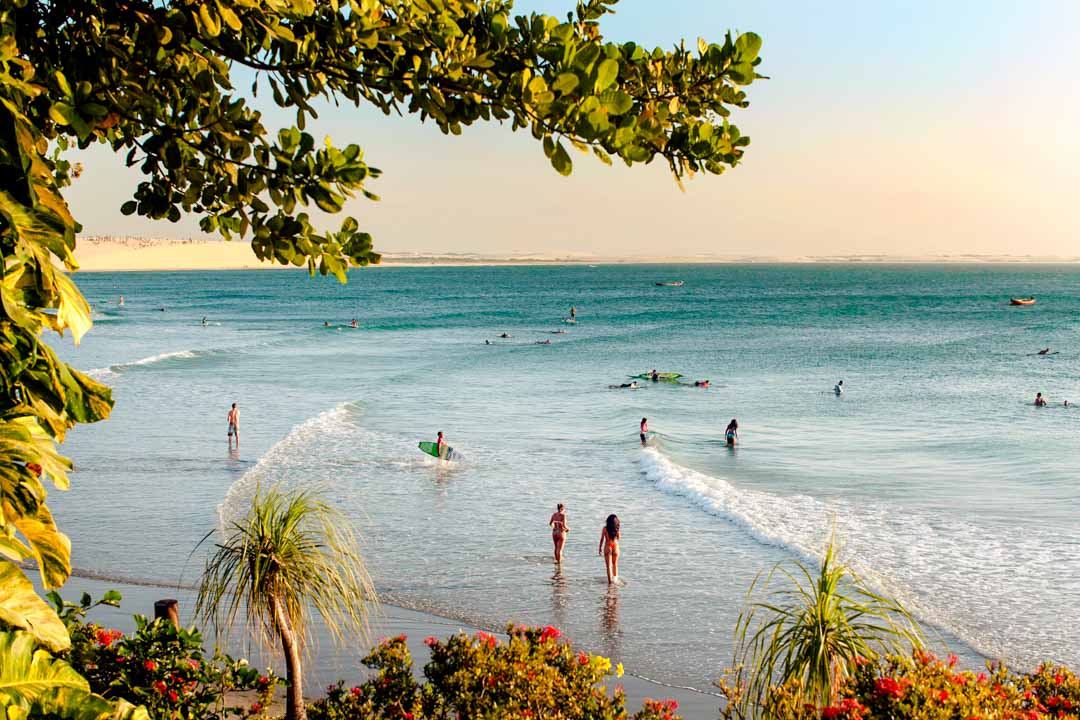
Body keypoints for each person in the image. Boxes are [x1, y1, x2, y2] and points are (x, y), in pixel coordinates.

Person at [598, 514, 620, 584]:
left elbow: (602, 539)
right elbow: (619, 538)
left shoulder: (605, 528)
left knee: (608, 566)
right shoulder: (616, 528)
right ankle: (615, 580)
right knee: (615, 564)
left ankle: (610, 582)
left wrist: (600, 548)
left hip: (608, 546)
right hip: (615, 546)